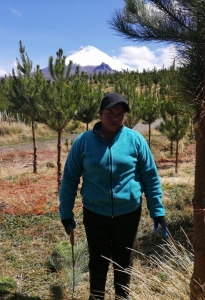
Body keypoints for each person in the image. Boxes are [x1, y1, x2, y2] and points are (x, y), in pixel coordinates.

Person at [59, 92, 167, 300]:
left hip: (128, 212)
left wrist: (158, 211)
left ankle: (122, 296)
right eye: (110, 112)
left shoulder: (135, 140)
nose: (115, 118)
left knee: (123, 257)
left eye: (120, 114)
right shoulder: (83, 142)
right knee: (98, 258)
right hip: (95, 212)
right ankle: (96, 296)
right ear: (100, 114)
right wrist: (65, 212)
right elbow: (70, 178)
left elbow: (150, 177)